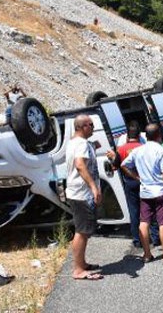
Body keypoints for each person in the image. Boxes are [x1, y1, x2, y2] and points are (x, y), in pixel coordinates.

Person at [121, 124, 163, 265]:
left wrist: (136, 177)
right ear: (159, 135)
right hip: (160, 192)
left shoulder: (137, 150)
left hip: (145, 193)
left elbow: (123, 165)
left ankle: (147, 254)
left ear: (145, 136)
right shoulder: (162, 150)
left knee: (144, 222)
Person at [66, 115, 103, 280]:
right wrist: (93, 187)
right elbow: (80, 164)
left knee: (84, 231)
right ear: (83, 127)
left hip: (77, 192)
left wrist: (93, 147)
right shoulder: (80, 144)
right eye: (91, 125)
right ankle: (78, 270)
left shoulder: (75, 142)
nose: (93, 128)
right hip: (82, 194)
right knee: (81, 232)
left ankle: (82, 263)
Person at [113, 122, 159, 248]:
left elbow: (115, 166)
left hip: (130, 183)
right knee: (151, 210)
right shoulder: (143, 147)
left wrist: (113, 157)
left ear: (127, 137)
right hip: (145, 182)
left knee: (134, 212)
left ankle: (137, 240)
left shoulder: (121, 149)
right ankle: (156, 237)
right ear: (139, 136)